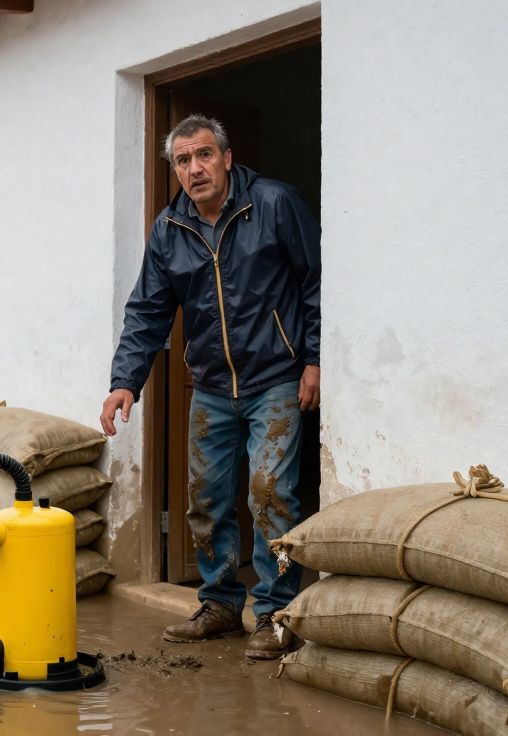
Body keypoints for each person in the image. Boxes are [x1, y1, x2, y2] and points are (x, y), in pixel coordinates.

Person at [100, 114, 320, 660]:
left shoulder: (272, 203)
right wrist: (125, 381)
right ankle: (221, 603)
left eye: (203, 155)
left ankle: (274, 613)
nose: (194, 169)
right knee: (207, 499)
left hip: (277, 377)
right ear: (173, 169)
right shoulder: (169, 229)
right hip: (213, 385)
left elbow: (316, 279)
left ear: (225, 156)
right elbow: (148, 310)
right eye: (182, 160)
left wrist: (315, 360)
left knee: (270, 494)